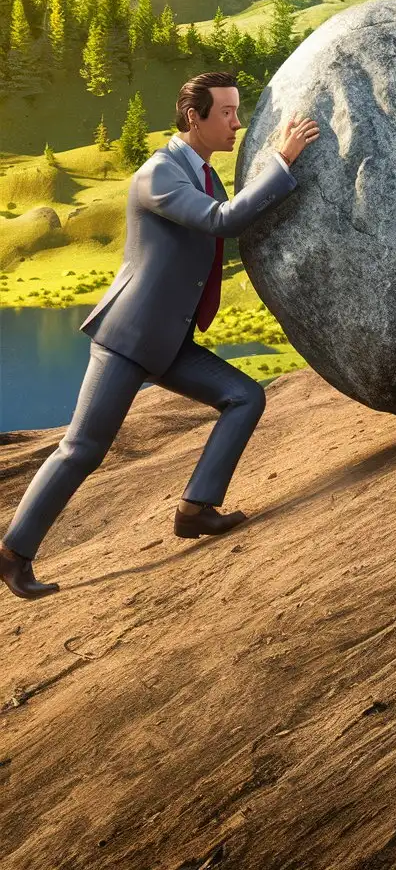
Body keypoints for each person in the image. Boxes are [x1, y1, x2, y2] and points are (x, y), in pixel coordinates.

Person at [0, 71, 320, 600]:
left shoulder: (205, 173)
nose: (236, 122)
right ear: (194, 117)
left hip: (170, 342)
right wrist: (282, 161)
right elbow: (223, 221)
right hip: (128, 339)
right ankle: (13, 555)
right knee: (82, 448)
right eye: (226, 113)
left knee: (245, 396)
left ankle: (196, 508)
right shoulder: (159, 175)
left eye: (238, 111)